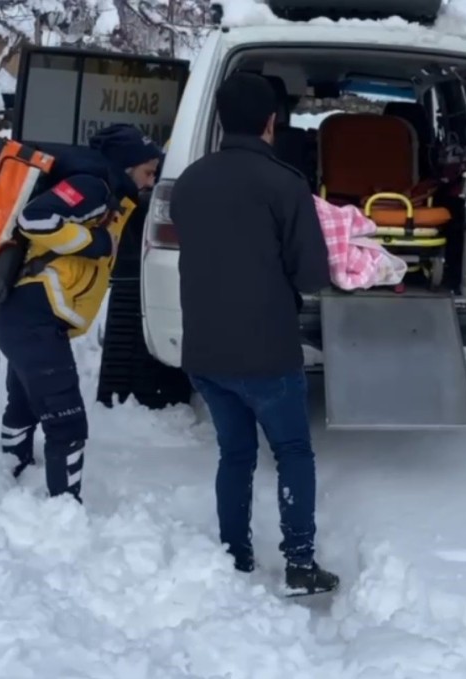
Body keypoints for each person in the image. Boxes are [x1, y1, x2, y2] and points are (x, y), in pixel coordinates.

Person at [169, 73, 339, 595]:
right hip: (267, 351)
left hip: (205, 350)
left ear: (220, 119)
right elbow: (311, 275)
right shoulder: (285, 184)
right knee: (292, 452)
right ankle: (300, 563)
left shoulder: (189, 182)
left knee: (235, 454)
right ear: (272, 122)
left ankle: (234, 556)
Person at [0, 124, 162, 503]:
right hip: (33, 315)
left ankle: (7, 475)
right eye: (149, 171)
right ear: (128, 164)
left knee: (23, 406)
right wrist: (94, 242)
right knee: (67, 421)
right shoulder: (93, 187)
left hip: (28, 317)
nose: (151, 180)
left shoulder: (112, 194)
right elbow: (35, 219)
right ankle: (64, 508)